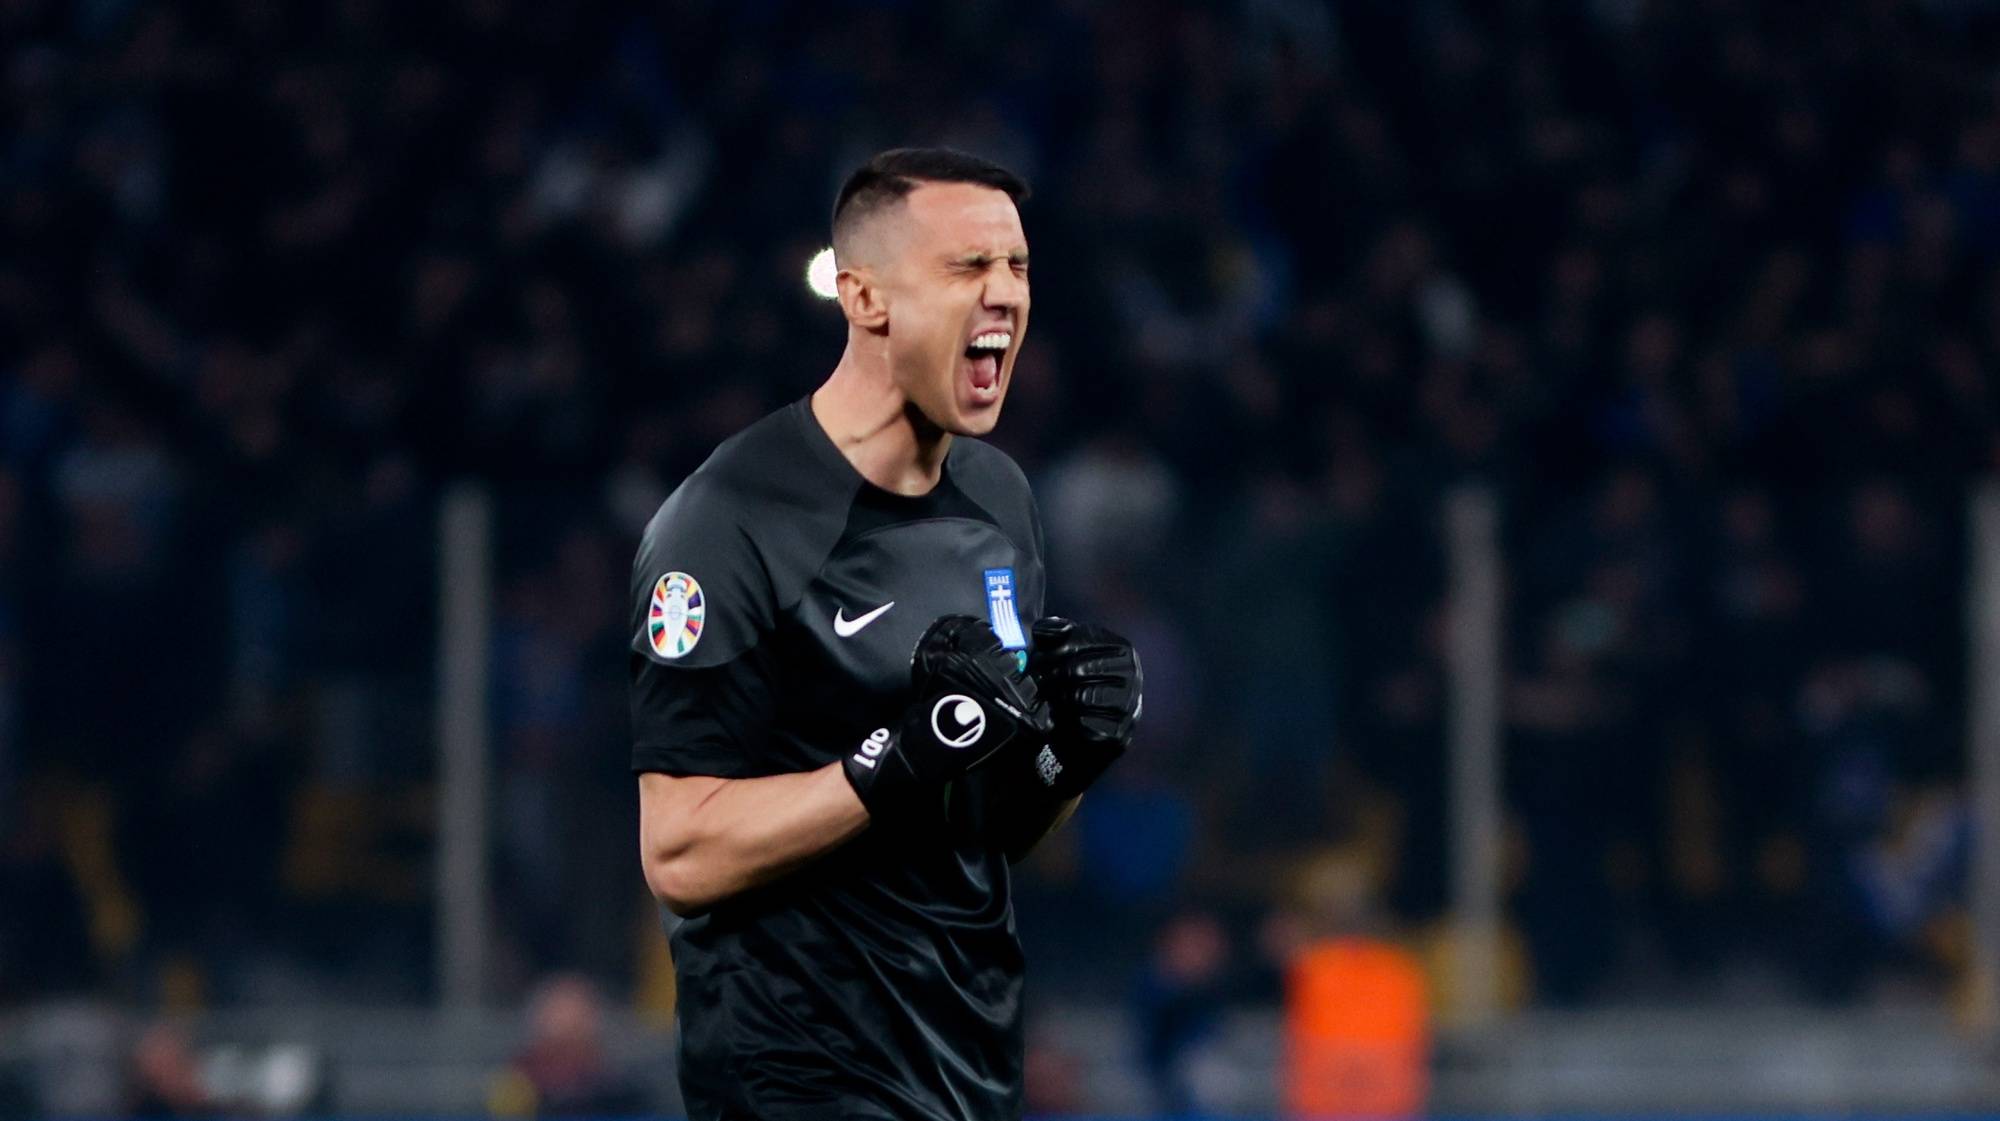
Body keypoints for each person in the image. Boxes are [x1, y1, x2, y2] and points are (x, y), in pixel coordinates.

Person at [629, 148, 1144, 1121]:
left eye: (1017, 267)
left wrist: (1060, 760)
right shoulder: (728, 519)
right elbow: (680, 850)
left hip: (968, 1064)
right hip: (797, 1073)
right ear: (864, 298)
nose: (1002, 296)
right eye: (965, 267)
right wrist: (889, 759)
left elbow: (984, 816)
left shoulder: (998, 498)